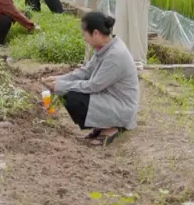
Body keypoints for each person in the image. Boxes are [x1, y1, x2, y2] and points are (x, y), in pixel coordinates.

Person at [43, 12, 139, 146]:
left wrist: (61, 86)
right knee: (69, 92)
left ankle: (112, 127)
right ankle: (102, 125)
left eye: (85, 34)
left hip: (121, 106)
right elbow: (86, 71)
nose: (85, 39)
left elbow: (94, 86)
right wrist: (59, 79)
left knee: (73, 98)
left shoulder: (115, 56)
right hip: (109, 98)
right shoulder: (105, 48)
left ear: (95, 33)